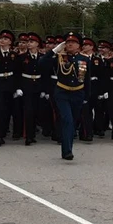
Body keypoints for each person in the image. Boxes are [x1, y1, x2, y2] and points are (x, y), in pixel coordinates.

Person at [40, 32, 91, 160]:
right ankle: (67, 151)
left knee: (72, 122)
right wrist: (54, 50)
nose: (69, 44)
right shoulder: (59, 57)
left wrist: (86, 97)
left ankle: (66, 148)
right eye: (67, 42)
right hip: (62, 93)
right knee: (67, 119)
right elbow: (41, 64)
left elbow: (87, 80)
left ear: (78, 45)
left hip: (78, 93)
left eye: (73, 42)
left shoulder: (84, 59)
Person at [0, 30, 19, 147]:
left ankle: (3, 132)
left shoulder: (14, 55)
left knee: (8, 110)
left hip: (10, 84)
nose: (2, 41)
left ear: (10, 42)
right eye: (1, 39)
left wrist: (17, 87)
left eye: (5, 39)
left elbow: (18, 72)